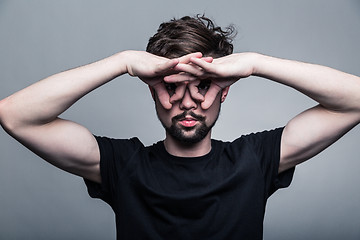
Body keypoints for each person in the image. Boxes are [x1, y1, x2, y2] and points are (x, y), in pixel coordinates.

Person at [0, 15, 359, 239]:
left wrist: (253, 63)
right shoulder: (123, 165)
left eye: (203, 86)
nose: (188, 103)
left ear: (224, 92)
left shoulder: (256, 159)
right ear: (153, 93)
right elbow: (15, 115)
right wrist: (123, 62)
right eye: (172, 87)